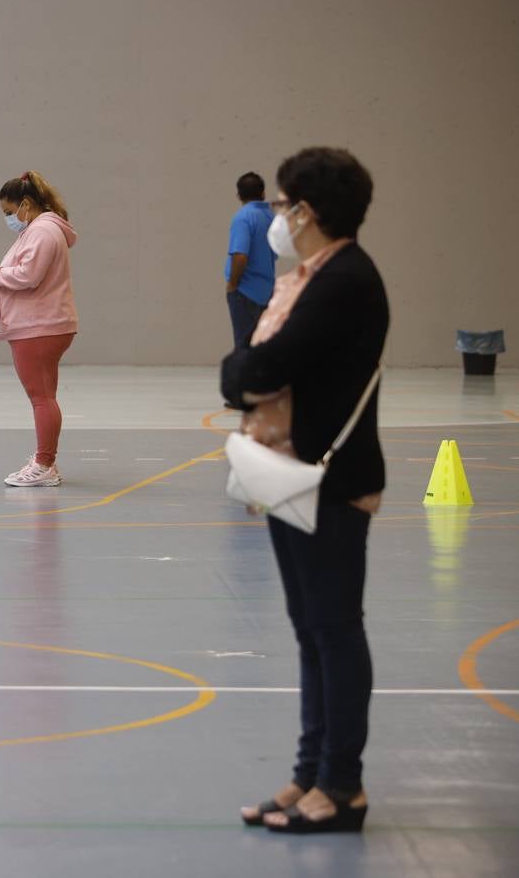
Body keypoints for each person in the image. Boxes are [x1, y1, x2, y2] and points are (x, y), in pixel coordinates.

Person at [222, 147, 388, 834]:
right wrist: (244, 371)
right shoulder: (313, 275)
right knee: (311, 632)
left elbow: (261, 366)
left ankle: (342, 787)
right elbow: (252, 370)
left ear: (307, 212)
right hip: (291, 473)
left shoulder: (344, 280)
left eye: (285, 205)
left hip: (329, 479)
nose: (277, 217)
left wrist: (239, 372)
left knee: (333, 630)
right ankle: (308, 773)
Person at [0, 171, 78, 487]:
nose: (8, 219)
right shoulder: (39, 230)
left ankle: (44, 464)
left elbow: (28, 275)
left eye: (9, 212)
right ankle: (45, 460)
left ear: (26, 204)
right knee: (45, 395)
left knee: (41, 398)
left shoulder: (43, 232)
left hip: (38, 326)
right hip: (42, 324)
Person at [224, 171, 278, 349]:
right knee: (263, 345)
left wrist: (233, 282)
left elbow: (240, 255)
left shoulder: (243, 218)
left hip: (244, 291)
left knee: (244, 346)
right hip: (267, 290)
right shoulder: (271, 217)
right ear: (262, 193)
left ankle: (246, 378)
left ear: (238, 195)